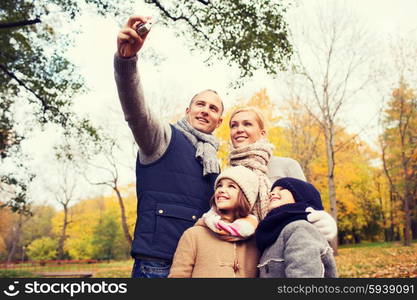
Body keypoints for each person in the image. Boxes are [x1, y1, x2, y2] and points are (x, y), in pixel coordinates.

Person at [114, 15, 224, 278]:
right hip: (157, 264)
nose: (205, 110)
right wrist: (126, 62)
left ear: (219, 121)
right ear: (188, 110)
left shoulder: (215, 163)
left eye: (213, 108)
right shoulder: (162, 138)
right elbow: (136, 112)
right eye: (200, 104)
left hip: (198, 265)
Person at [204, 107, 337, 240]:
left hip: (283, 245)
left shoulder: (287, 166)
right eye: (234, 125)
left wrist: (323, 221)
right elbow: (219, 212)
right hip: (243, 250)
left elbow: (309, 205)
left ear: (262, 134)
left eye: (247, 124)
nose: (239, 129)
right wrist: (212, 221)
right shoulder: (227, 176)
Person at [169, 166, 261, 278]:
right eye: (219, 186)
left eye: (231, 186)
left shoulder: (256, 239)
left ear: (246, 196)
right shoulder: (193, 235)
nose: (221, 190)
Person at [255, 177, 338, 278]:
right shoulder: (273, 234)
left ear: (300, 196)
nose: (272, 193)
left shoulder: (300, 228)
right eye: (272, 191)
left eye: (281, 189)